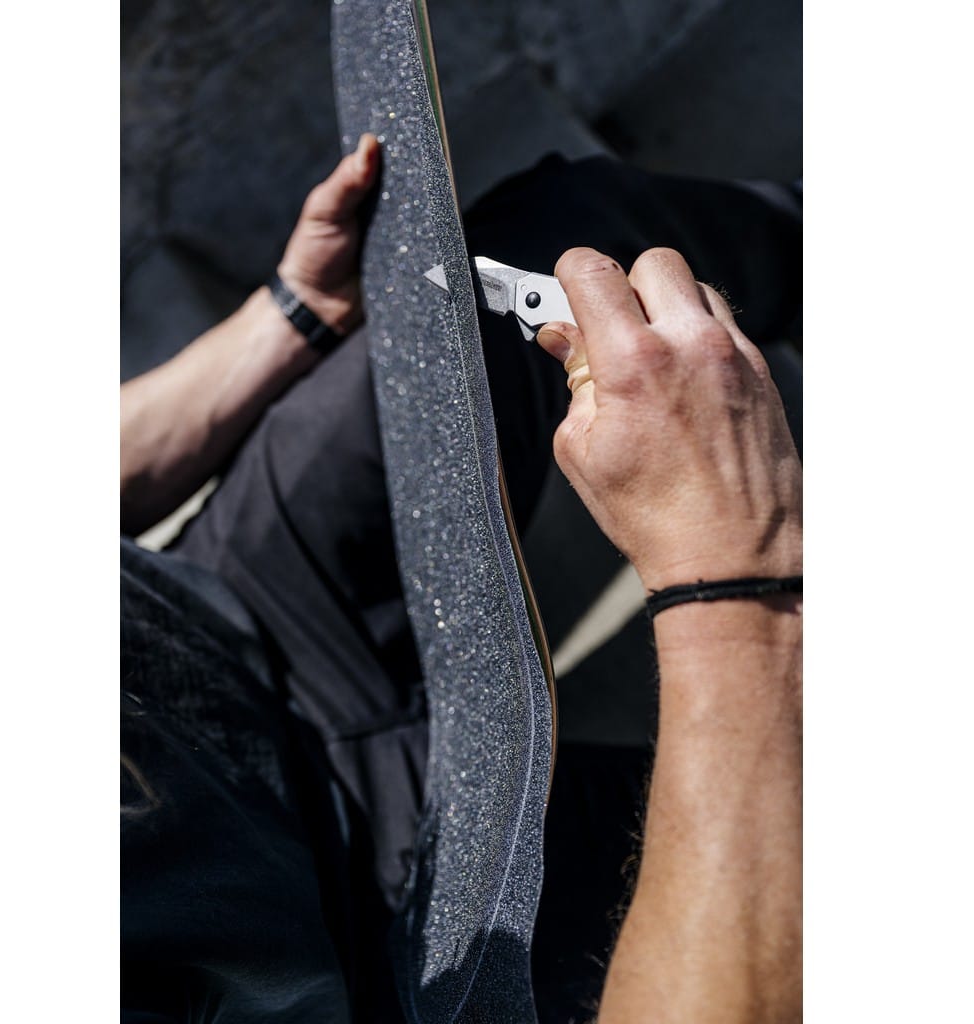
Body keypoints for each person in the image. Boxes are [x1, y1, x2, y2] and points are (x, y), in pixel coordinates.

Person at [121, 135, 801, 1023]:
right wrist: (734, 573)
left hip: (228, 621)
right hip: (381, 960)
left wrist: (296, 313)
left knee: (571, 228)